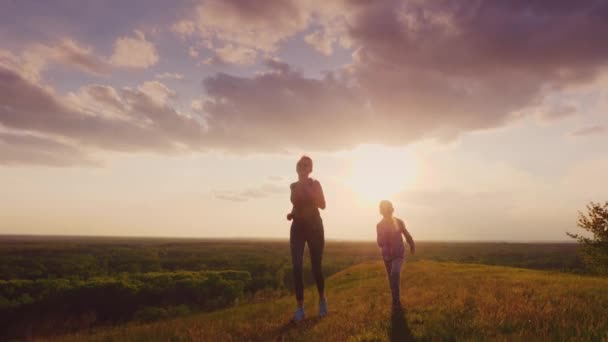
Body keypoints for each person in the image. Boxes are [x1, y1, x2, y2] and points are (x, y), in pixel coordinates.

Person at [287, 155, 327, 321]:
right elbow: (297, 205)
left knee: (316, 267)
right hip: (297, 227)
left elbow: (323, 205)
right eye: (301, 165)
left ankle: (322, 300)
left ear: (310, 169)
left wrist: (310, 192)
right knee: (296, 266)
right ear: (297, 168)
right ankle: (300, 308)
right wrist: (292, 213)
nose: (303, 168)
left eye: (307, 166)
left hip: (314, 227)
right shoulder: (293, 186)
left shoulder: (315, 184)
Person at [376, 200, 415, 310]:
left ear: (391, 210)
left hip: (398, 255)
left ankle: (396, 301)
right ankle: (395, 300)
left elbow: (406, 234)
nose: (386, 212)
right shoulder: (379, 226)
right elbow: (379, 243)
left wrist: (412, 244)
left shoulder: (398, 222)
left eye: (388, 209)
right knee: (391, 279)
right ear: (382, 212)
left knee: (395, 273)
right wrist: (385, 237)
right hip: (386, 256)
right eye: (383, 209)